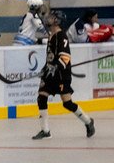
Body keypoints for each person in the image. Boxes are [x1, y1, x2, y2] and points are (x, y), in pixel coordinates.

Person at [32, 10, 95, 140]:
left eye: (52, 17)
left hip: (61, 75)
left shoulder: (62, 37)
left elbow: (65, 57)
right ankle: (45, 130)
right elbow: (50, 57)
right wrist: (45, 69)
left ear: (57, 21)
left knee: (67, 103)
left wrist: (55, 66)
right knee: (41, 97)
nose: (49, 18)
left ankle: (88, 121)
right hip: (50, 74)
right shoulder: (51, 35)